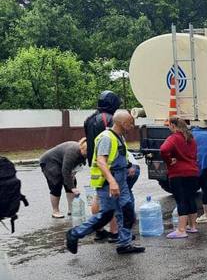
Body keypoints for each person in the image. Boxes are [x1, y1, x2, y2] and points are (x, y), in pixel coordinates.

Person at [65, 110, 145, 255]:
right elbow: (101, 161)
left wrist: (129, 166)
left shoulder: (119, 137)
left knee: (127, 212)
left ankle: (124, 244)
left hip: (121, 180)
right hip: (108, 182)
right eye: (130, 123)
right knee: (106, 215)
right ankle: (75, 234)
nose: (133, 126)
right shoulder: (106, 138)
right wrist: (112, 182)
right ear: (121, 123)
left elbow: (118, 157)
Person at [82, 90, 139, 242]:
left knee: (99, 198)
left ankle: (100, 230)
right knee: (114, 203)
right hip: (108, 165)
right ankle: (114, 232)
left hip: (95, 162)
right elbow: (111, 141)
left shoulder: (89, 118)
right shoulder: (107, 120)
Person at [160, 117, 200, 238]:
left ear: (173, 125)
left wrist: (169, 160)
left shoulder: (174, 138)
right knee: (190, 198)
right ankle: (192, 226)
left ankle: (181, 229)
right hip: (193, 172)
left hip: (178, 173)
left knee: (181, 200)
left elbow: (163, 149)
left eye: (169, 125)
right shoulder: (191, 138)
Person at [39, 138, 87, 218]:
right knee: (56, 184)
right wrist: (72, 188)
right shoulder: (72, 152)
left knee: (72, 182)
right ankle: (55, 211)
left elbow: (78, 164)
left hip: (62, 162)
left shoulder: (86, 151)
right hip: (49, 161)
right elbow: (66, 171)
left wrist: (73, 174)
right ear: (82, 149)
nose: (86, 155)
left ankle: (71, 209)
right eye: (85, 153)